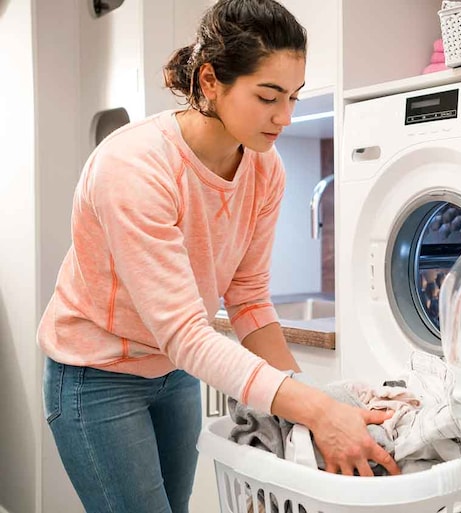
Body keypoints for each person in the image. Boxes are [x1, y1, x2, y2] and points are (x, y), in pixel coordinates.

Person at [38, 1, 399, 511]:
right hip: (98, 377)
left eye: (293, 97)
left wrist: (309, 405)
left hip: (173, 374)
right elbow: (186, 332)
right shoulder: (134, 167)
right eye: (268, 96)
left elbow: (248, 298)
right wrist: (314, 409)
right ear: (210, 81)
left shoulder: (264, 169)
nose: (285, 117)